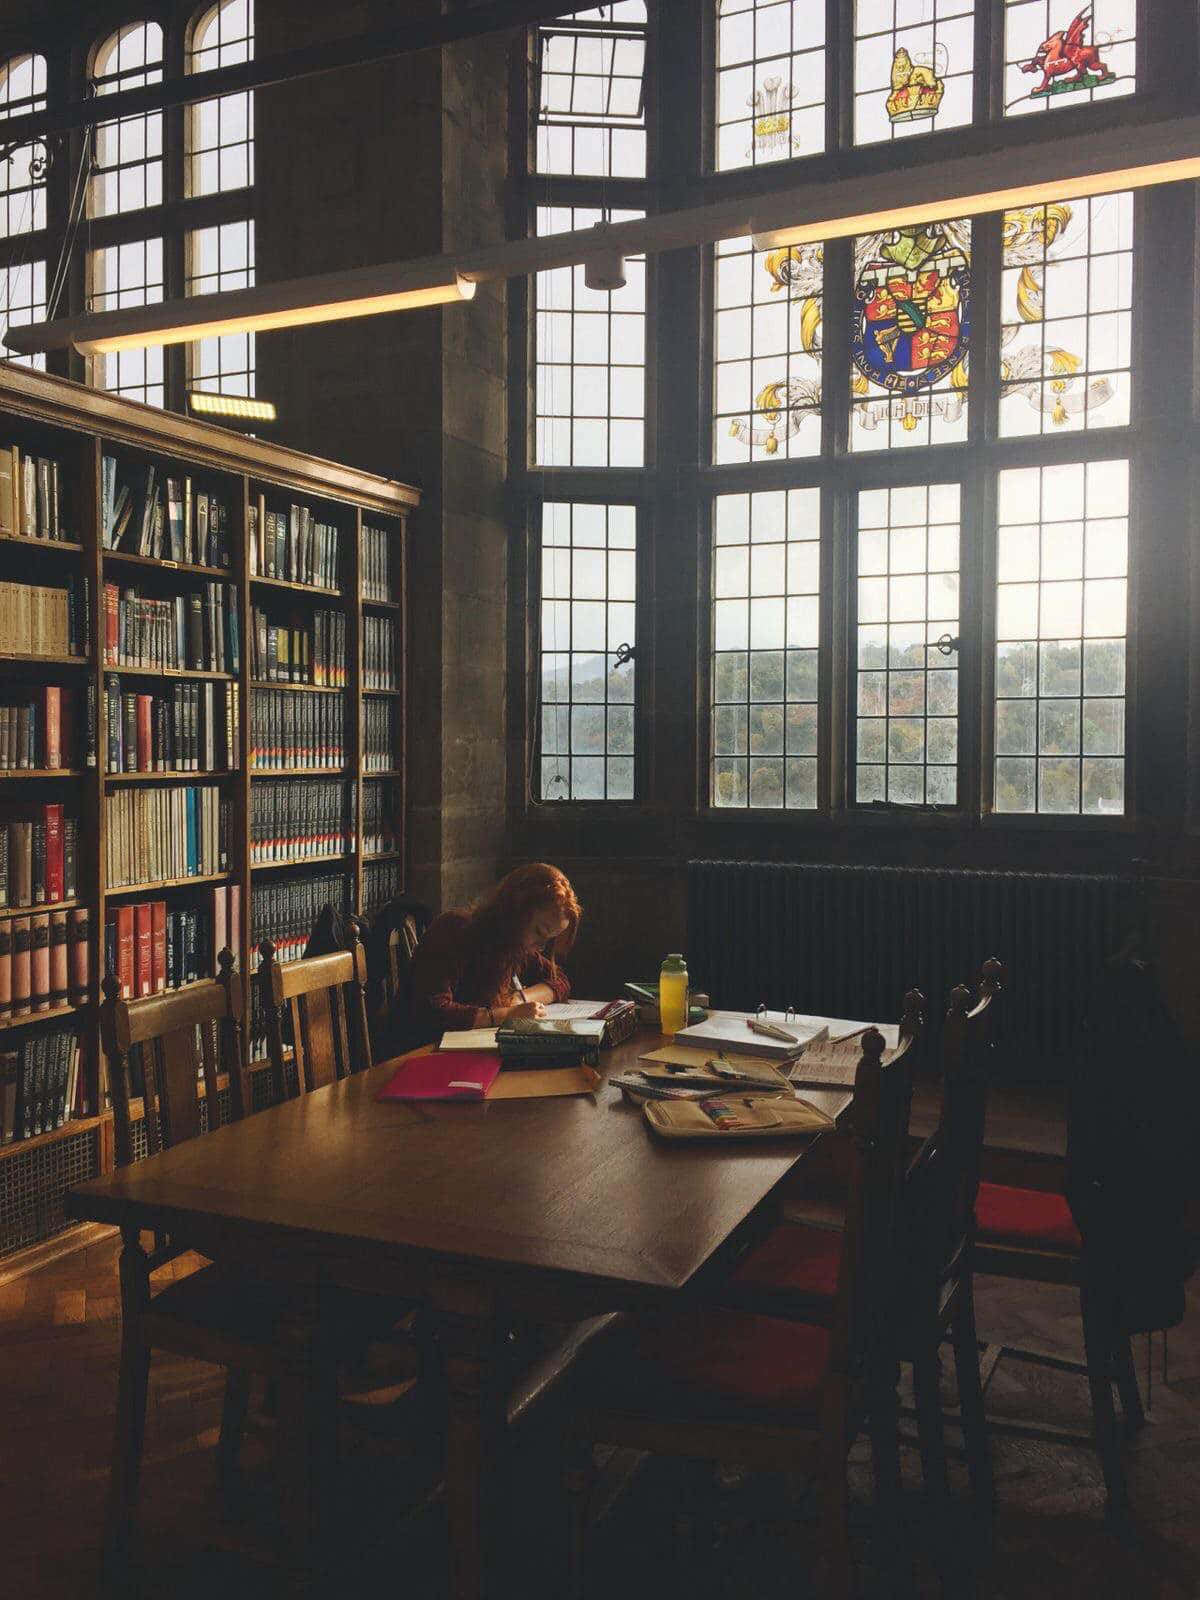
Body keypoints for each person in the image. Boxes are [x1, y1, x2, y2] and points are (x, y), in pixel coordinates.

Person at [406, 862, 580, 1042]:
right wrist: (506, 1014)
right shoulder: (454, 929)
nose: (540, 946)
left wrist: (520, 999)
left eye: (548, 939)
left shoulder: (515, 945)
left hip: (470, 1047)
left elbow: (560, 981)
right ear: (516, 912)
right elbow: (433, 1012)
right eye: (539, 932)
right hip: (423, 1052)